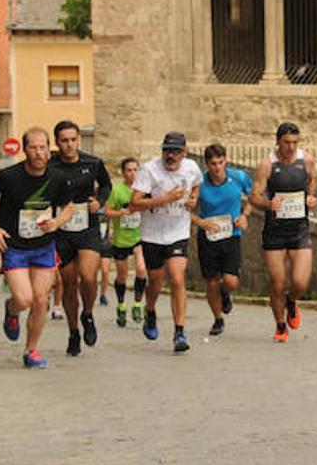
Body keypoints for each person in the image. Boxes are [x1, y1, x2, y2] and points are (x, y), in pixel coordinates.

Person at [0, 127, 76, 369]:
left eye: (43, 147)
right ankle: (11, 310)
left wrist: (57, 222)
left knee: (41, 300)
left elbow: (68, 207)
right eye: (33, 147)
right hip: (15, 246)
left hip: (43, 246)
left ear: (49, 148)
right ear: (25, 149)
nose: (38, 152)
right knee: (24, 299)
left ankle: (31, 350)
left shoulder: (57, 177)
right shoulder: (9, 175)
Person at [130, 131, 203, 353]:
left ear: (185, 153)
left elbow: (197, 185)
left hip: (178, 232)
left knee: (178, 278)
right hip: (152, 234)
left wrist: (194, 198)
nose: (170, 156)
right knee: (155, 281)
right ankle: (150, 310)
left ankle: (179, 332)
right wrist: (166, 199)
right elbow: (135, 203)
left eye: (175, 152)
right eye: (166, 151)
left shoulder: (191, 167)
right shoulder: (149, 169)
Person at [49, 120, 113, 357]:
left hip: (88, 226)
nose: (69, 145)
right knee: (68, 283)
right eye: (64, 140)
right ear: (57, 143)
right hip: (62, 230)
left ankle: (87, 314)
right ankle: (73, 331)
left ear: (79, 140)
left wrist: (100, 202)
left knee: (88, 276)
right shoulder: (50, 166)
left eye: (73, 139)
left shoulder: (93, 162)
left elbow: (106, 186)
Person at [250, 122, 317, 341]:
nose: (291, 146)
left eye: (295, 142)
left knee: (300, 282)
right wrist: (268, 204)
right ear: (278, 141)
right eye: (286, 142)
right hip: (275, 232)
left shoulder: (306, 160)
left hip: (299, 229)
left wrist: (311, 196)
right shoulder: (267, 164)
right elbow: (253, 196)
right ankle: (280, 325)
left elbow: (314, 179)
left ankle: (292, 300)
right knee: (277, 282)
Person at [192, 143, 253, 336]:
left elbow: (255, 197)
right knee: (211, 282)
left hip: (231, 235)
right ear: (207, 164)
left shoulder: (239, 177)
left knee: (231, 280)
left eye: (220, 163)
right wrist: (201, 223)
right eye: (213, 164)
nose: (217, 168)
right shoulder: (199, 182)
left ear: (226, 161)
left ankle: (226, 293)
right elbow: (185, 210)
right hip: (208, 236)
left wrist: (244, 216)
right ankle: (218, 319)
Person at [104, 157, 148, 327]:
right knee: (122, 276)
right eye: (129, 170)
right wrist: (121, 213)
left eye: (135, 170)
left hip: (139, 237)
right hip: (121, 240)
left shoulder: (143, 190)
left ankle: (137, 304)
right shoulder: (117, 191)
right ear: (123, 173)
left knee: (141, 269)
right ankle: (121, 306)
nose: (133, 173)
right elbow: (107, 212)